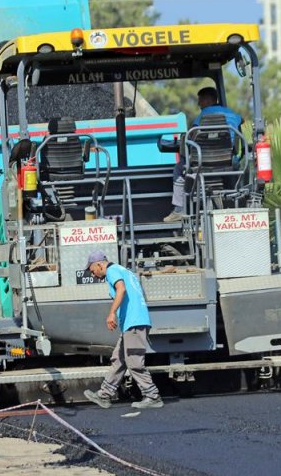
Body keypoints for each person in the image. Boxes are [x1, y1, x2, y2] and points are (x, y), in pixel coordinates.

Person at [83, 251, 163, 410]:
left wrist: (112, 313)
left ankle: (153, 396)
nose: (94, 275)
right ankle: (104, 395)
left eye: (93, 270)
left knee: (134, 362)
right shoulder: (123, 270)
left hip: (134, 323)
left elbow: (121, 289)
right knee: (119, 359)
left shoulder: (112, 271)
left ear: (100, 264)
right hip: (133, 323)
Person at [163, 86, 243, 223]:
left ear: (207, 100)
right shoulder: (232, 114)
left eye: (200, 101)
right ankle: (232, 203)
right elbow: (242, 121)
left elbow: (191, 138)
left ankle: (179, 209)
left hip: (202, 163)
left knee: (179, 168)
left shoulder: (202, 117)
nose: (199, 104)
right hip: (228, 162)